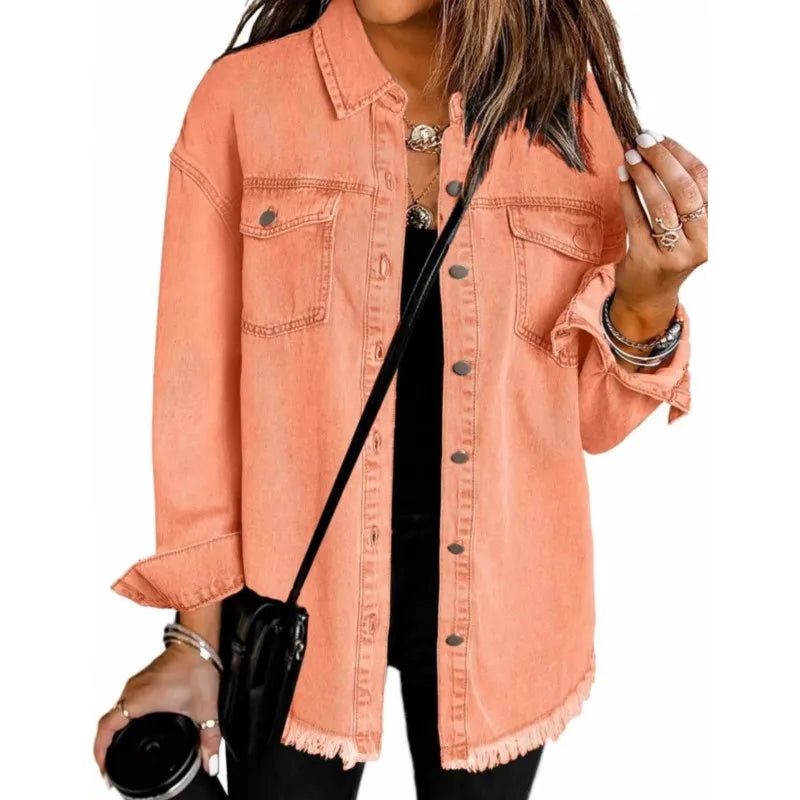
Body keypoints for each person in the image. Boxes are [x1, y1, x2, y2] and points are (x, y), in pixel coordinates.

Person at [94, 0, 708, 797]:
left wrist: (650, 296)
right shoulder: (243, 102)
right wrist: (195, 641)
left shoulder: (569, 114)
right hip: (291, 585)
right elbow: (197, 403)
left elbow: (589, 423)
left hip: (506, 602)